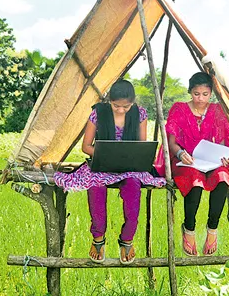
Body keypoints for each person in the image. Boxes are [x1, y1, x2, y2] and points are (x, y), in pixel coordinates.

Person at [53, 79, 165, 264]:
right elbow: (86, 146)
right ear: (109, 101)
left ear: (133, 103)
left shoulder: (140, 114)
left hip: (129, 168)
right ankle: (98, 238)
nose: (121, 110)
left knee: (133, 189)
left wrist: (135, 157)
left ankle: (127, 239)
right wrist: (105, 153)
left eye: (126, 107)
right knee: (95, 187)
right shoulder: (97, 113)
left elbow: (140, 146)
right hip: (103, 165)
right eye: (116, 106)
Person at [155, 72, 229, 256]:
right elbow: (171, 141)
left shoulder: (217, 110)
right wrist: (180, 153)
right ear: (190, 92)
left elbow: (224, 140)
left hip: (211, 161)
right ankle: (189, 229)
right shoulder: (179, 109)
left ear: (211, 93)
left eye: (205, 94)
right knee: (195, 180)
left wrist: (223, 156)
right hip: (185, 161)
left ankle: (212, 229)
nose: (200, 98)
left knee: (223, 177)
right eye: (196, 94)